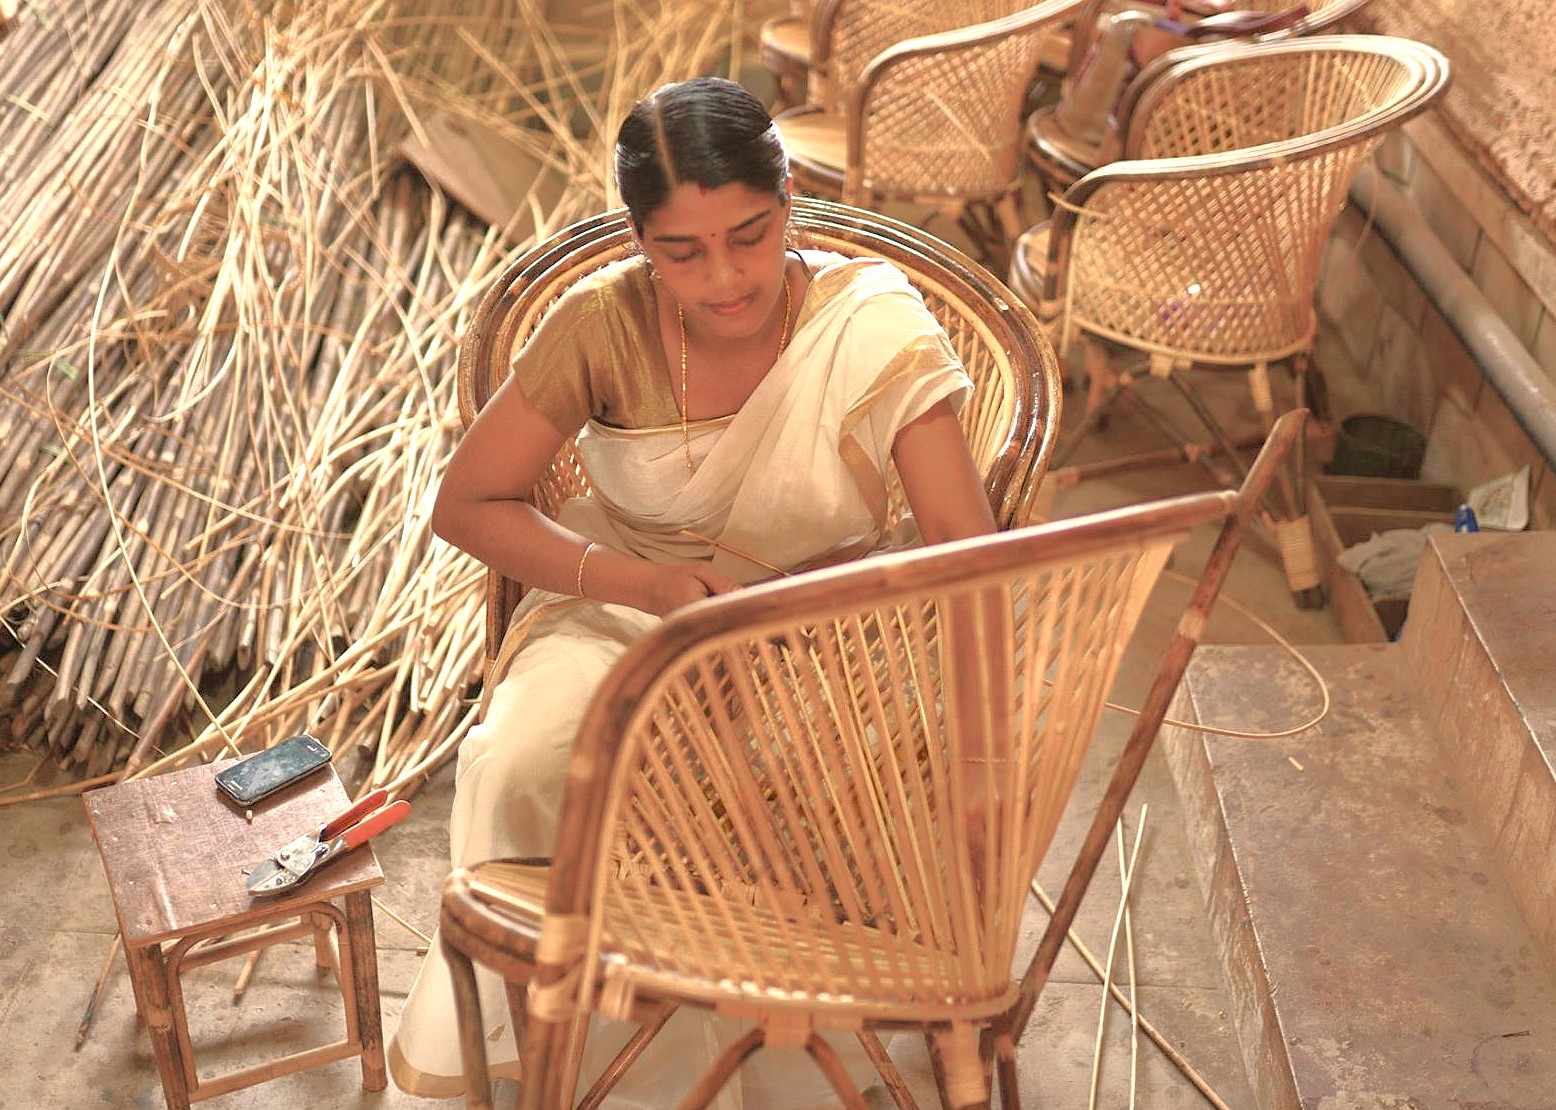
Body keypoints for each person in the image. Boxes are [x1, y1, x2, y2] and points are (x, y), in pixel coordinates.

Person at [389, 75, 997, 1105]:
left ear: (788, 196)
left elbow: (963, 554)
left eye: (750, 236)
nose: (724, 277)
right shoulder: (599, 324)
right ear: (638, 241)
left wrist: (982, 753)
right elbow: (468, 504)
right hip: (625, 607)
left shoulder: (868, 325)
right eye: (682, 252)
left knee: (800, 808)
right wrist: (648, 585)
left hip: (817, 633)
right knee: (532, 758)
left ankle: (752, 1049)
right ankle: (565, 1060)